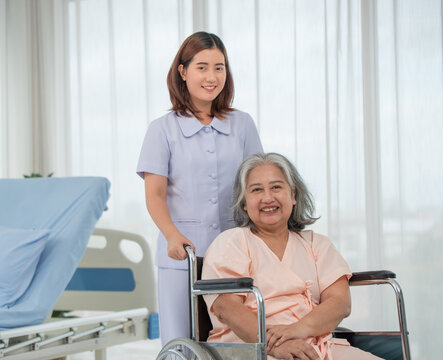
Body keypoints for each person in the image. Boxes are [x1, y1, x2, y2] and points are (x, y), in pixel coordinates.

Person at [136, 31, 263, 345]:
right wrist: (171, 234)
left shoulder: (242, 124)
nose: (212, 76)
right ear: (183, 71)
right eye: (202, 67)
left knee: (236, 339)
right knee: (183, 340)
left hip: (237, 252)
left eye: (219, 67)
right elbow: (154, 194)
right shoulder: (162, 129)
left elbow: (257, 183)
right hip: (183, 255)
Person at [202, 153, 382, 360]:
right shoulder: (231, 242)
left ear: (293, 195)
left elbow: (340, 303)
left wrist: (296, 330)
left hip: (316, 345)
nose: (268, 198)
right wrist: (271, 344)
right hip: (250, 348)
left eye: (276, 187)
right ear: (244, 202)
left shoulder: (317, 244)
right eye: (256, 190)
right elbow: (227, 307)